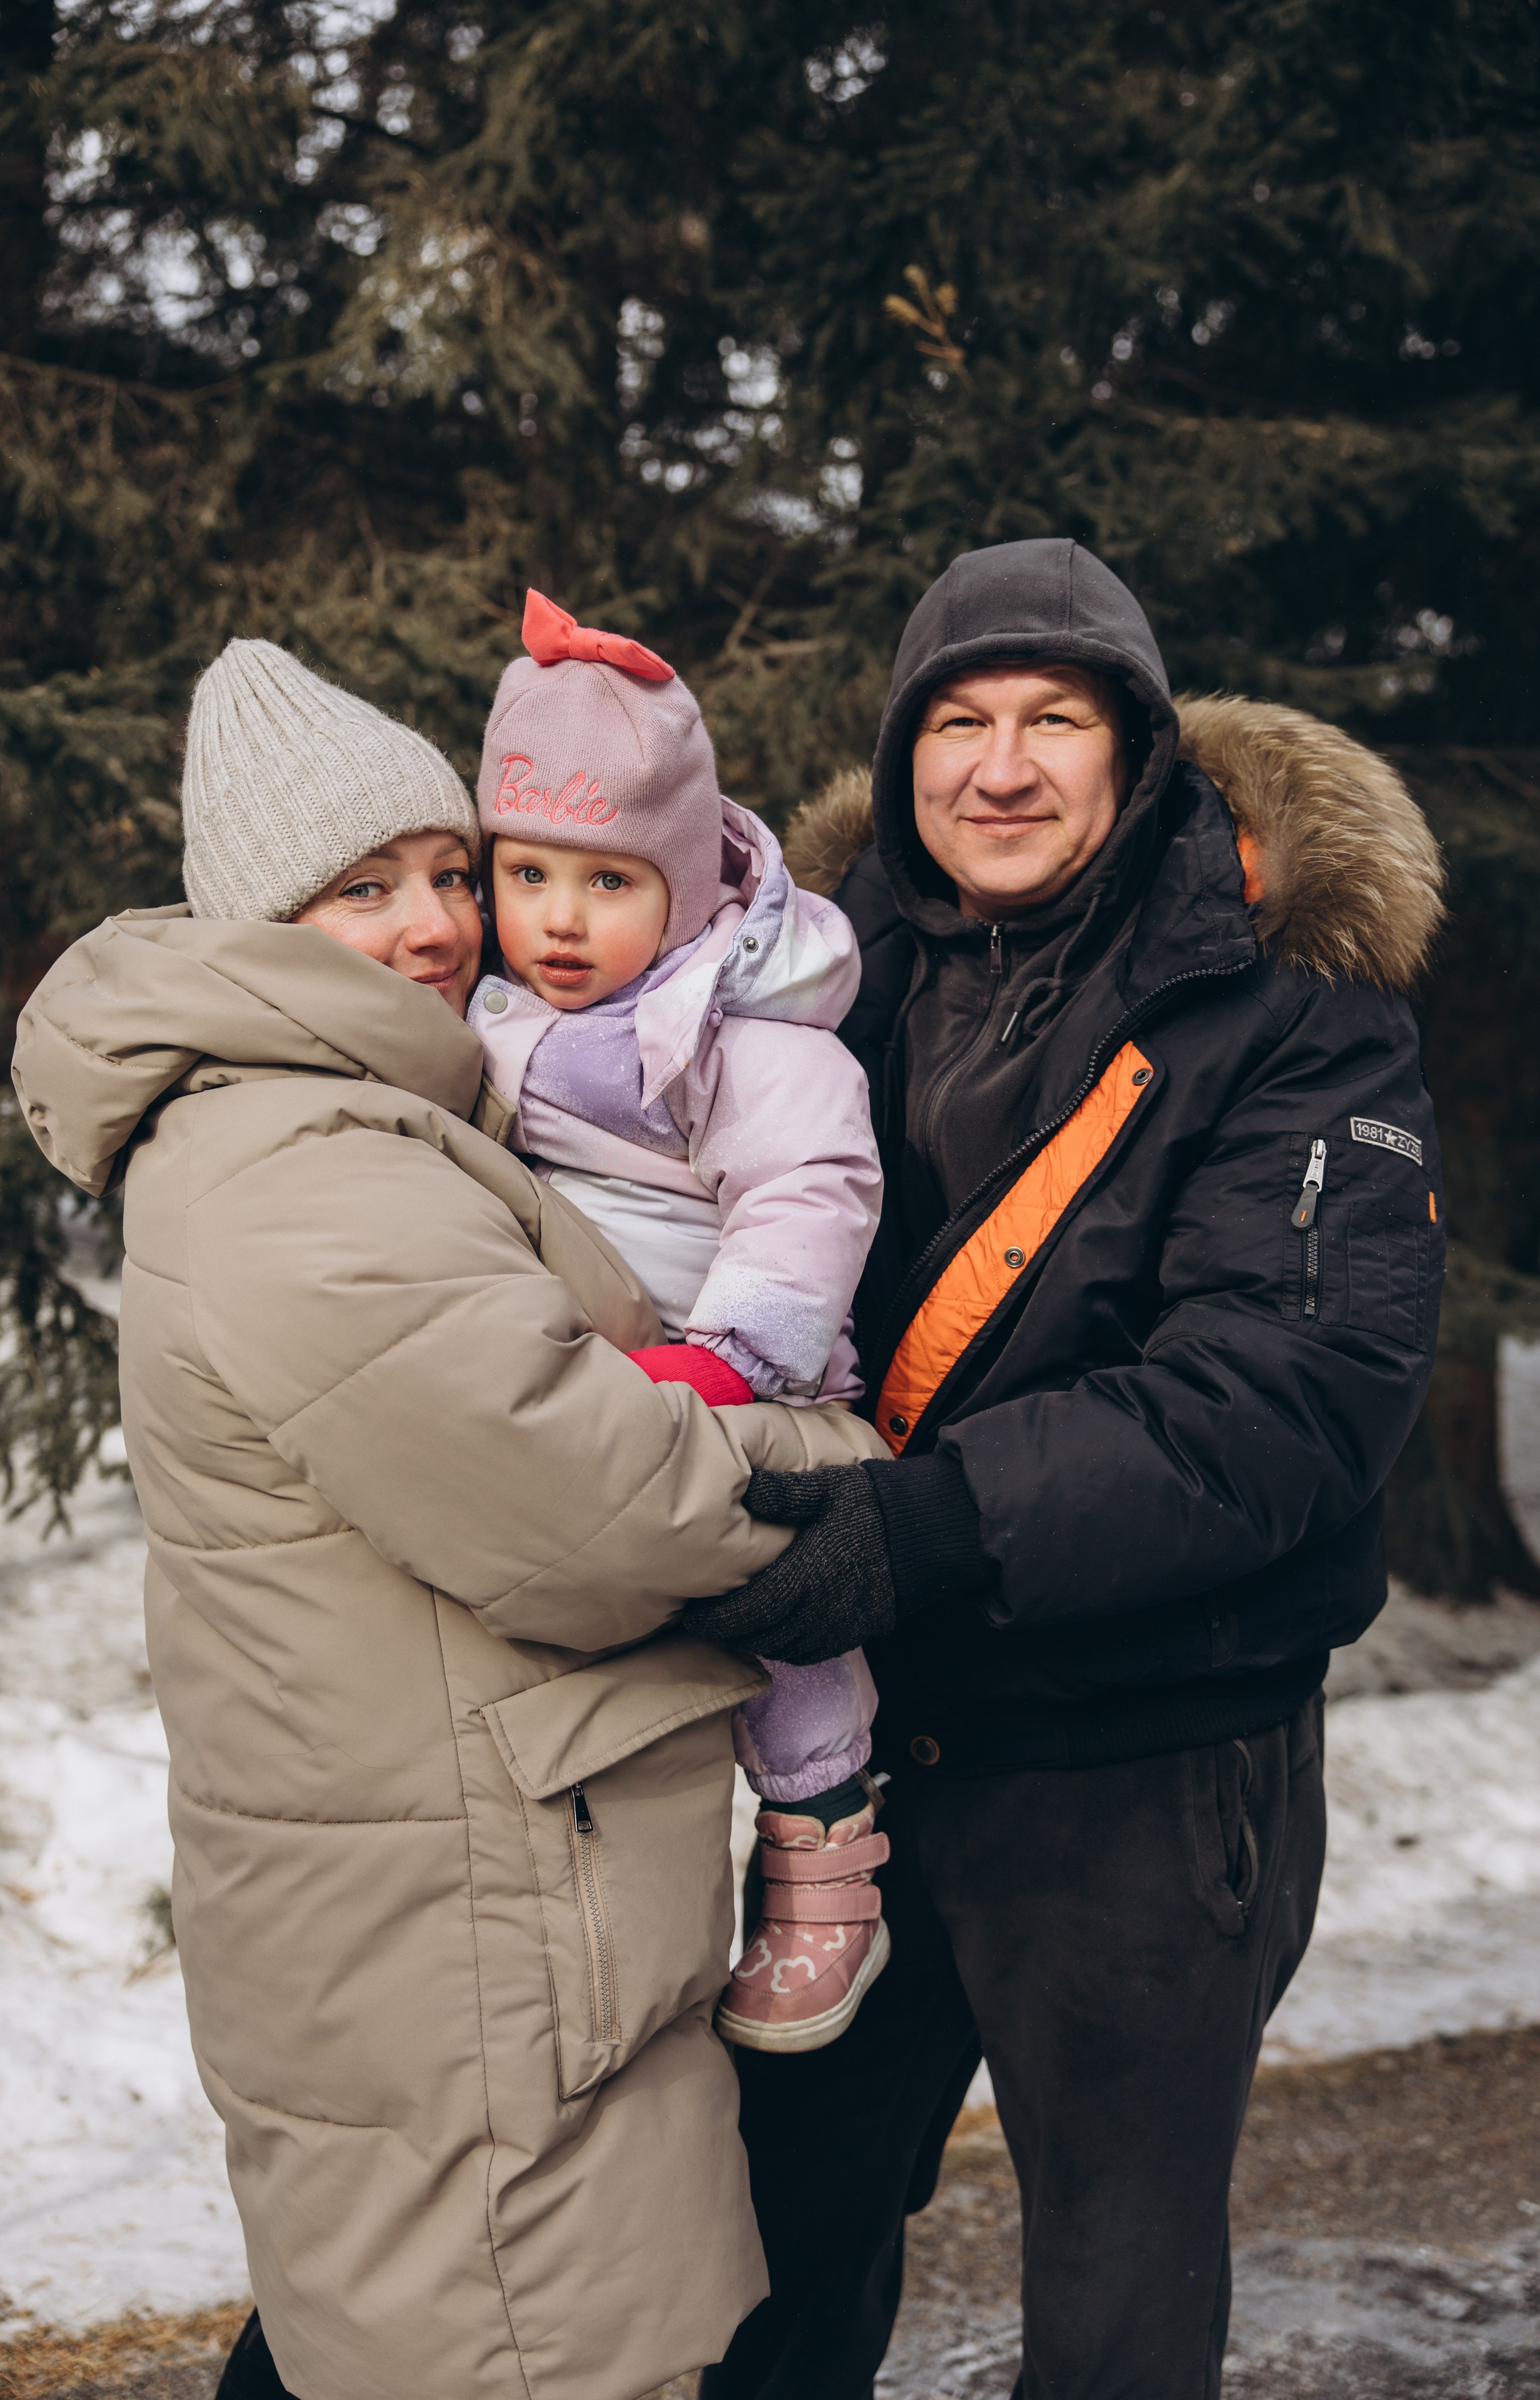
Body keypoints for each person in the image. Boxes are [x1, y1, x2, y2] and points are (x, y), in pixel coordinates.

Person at [11, 636, 886, 2400]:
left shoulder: (366, 1112)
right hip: (462, 1929)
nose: (433, 926)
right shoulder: (304, 1171)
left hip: (455, 1899)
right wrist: (850, 1473)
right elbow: (592, 1504)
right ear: (261, 919)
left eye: (445, 872)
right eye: (363, 891)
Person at [686, 538, 1448, 2399]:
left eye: (1053, 720)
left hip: (1143, 1769)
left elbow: (1290, 1392)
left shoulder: (1291, 1014)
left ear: (1140, 752)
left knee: (1113, 2312)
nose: (1001, 768)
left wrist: (938, 1521)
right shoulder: (820, 990)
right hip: (864, 1760)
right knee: (758, 2269)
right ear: (903, 756)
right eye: (958, 723)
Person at [472, 589, 890, 2052]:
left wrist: (732, 1357)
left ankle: (824, 1857)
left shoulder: (745, 1036)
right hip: (597, 1386)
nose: (560, 919)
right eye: (526, 874)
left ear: (688, 887)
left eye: (607, 881)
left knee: (784, 1627)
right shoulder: (494, 1021)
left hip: (747, 1379)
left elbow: (809, 1189)